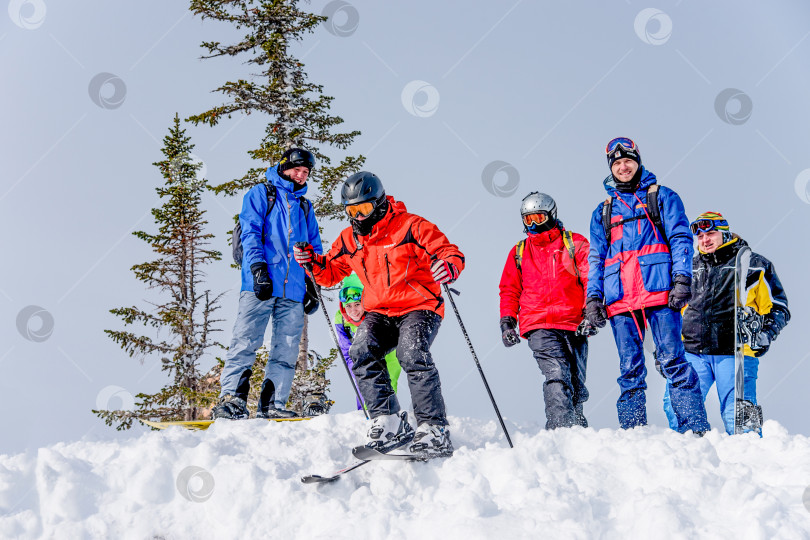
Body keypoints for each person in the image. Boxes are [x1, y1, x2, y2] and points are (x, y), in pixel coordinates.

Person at [293, 171, 464, 458]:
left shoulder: (411, 226)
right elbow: (331, 271)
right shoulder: (350, 239)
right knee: (361, 350)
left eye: (364, 209)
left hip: (419, 307)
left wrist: (448, 266)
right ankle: (388, 420)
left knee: (411, 354)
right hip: (380, 311)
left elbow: (449, 252)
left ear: (380, 202)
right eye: (351, 211)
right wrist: (311, 261)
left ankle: (434, 427)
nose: (358, 217)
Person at [582, 137, 709, 433]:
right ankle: (634, 434)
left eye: (628, 160)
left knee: (673, 362)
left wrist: (681, 279)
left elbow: (680, 238)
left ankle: (694, 430)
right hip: (620, 301)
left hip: (660, 294)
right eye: (616, 163)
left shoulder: (662, 196)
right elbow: (596, 258)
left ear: (638, 161)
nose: (623, 167)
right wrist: (593, 298)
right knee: (630, 369)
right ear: (610, 168)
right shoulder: (602, 211)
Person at [213, 148, 323, 420]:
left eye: (306, 172)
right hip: (259, 283)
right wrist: (258, 269)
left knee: (286, 348)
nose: (301, 176)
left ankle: (273, 403)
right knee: (246, 339)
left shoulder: (305, 206)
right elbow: (250, 232)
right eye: (297, 169)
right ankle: (232, 399)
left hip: (294, 288)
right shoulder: (261, 194)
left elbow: (315, 248)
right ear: (285, 166)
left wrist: (313, 284)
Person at [661, 212, 790, 435]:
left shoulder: (754, 265)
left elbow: (780, 307)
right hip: (693, 351)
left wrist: (766, 334)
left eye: (710, 233)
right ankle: (693, 452)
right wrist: (666, 350)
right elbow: (672, 312)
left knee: (739, 415)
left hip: (736, 352)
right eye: (700, 236)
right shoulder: (689, 268)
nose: (705, 240)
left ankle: (750, 456)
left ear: (724, 233)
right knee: (676, 406)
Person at [498, 192, 591, 429]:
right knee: (557, 373)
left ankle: (577, 426)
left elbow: (591, 276)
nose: (533, 224)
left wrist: (591, 310)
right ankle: (560, 428)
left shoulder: (574, 243)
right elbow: (509, 289)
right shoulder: (519, 251)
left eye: (538, 217)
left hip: (573, 323)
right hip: (538, 324)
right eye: (527, 219)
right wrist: (508, 322)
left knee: (576, 382)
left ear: (552, 214)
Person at [334, 273, 402, 410]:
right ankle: (364, 415)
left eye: (357, 304)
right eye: (348, 306)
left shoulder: (375, 316)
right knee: (362, 382)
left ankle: (388, 414)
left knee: (387, 382)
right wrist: (356, 371)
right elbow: (346, 351)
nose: (353, 311)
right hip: (360, 357)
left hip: (387, 355)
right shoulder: (341, 319)